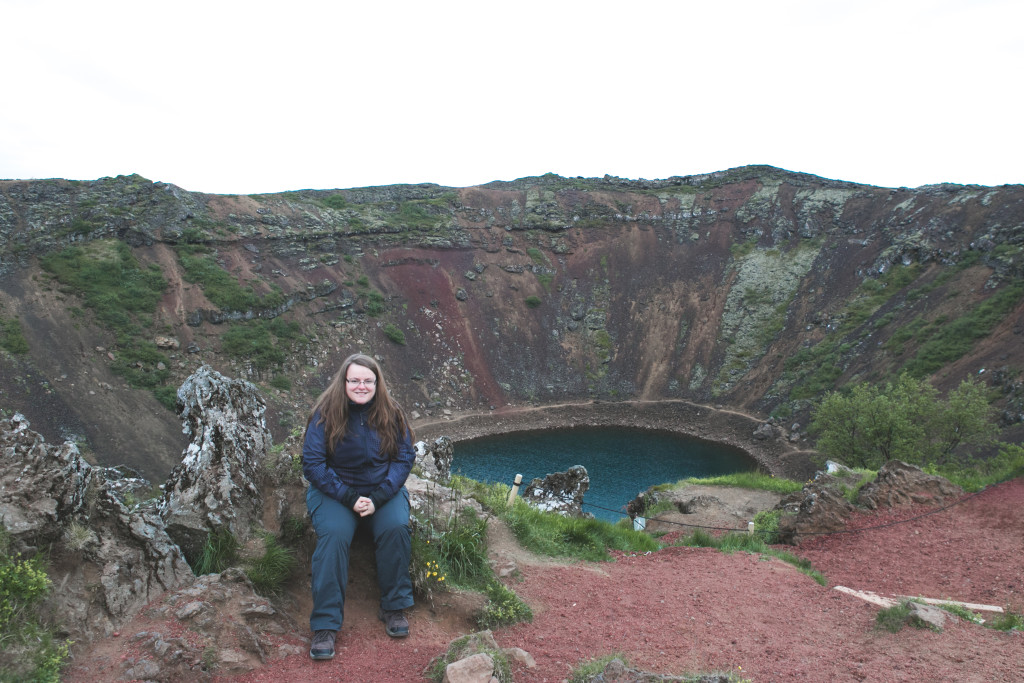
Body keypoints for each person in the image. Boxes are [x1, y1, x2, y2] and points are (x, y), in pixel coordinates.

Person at [301, 353, 416, 661]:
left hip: (382, 491)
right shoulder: (325, 413)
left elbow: (404, 458)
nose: (361, 386)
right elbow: (312, 464)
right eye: (355, 380)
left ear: (377, 384)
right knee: (335, 536)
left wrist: (379, 496)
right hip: (334, 492)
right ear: (345, 381)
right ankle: (325, 625)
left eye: (368, 381)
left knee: (395, 528)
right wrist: (349, 496)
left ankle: (394, 607)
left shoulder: (392, 413)